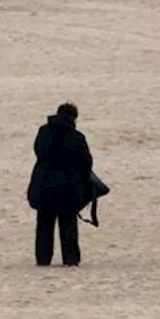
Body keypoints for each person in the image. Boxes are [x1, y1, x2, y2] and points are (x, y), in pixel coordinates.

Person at [27, 102, 94, 267]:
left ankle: (43, 259)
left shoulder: (43, 132)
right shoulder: (77, 137)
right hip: (69, 189)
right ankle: (70, 259)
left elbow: (38, 151)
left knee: (44, 225)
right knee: (68, 225)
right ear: (74, 118)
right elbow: (86, 163)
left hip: (44, 187)